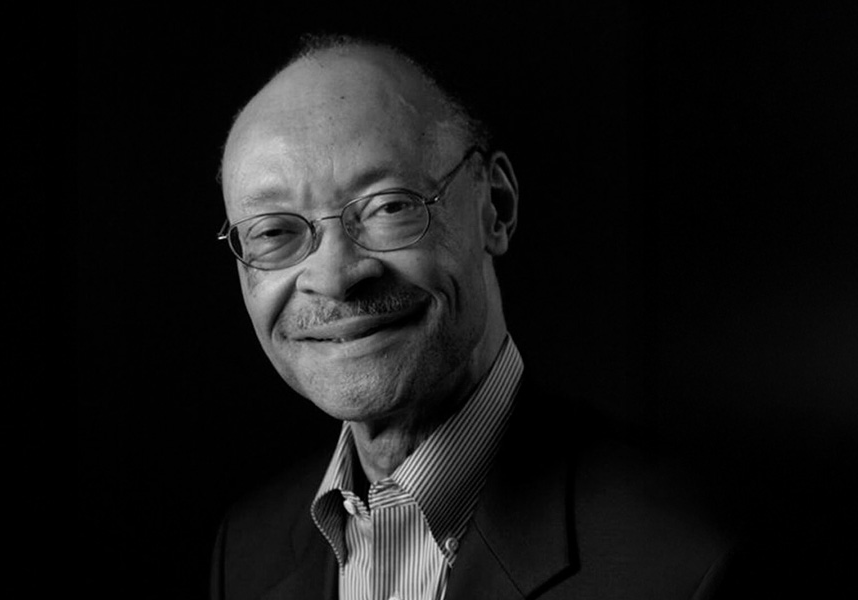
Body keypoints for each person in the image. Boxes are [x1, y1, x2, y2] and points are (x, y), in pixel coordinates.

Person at [211, 34, 743, 600]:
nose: (336, 276)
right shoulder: (246, 553)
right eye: (274, 232)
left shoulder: (687, 564)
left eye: (389, 207)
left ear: (496, 207)